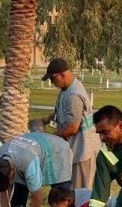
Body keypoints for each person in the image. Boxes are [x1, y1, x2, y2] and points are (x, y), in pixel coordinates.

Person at [40, 58, 101, 189]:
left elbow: (72, 128)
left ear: (63, 74)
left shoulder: (73, 95)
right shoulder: (66, 89)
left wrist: (50, 138)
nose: (52, 82)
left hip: (83, 151)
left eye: (53, 78)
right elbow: (62, 112)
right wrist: (46, 119)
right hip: (75, 149)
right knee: (72, 189)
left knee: (81, 191)